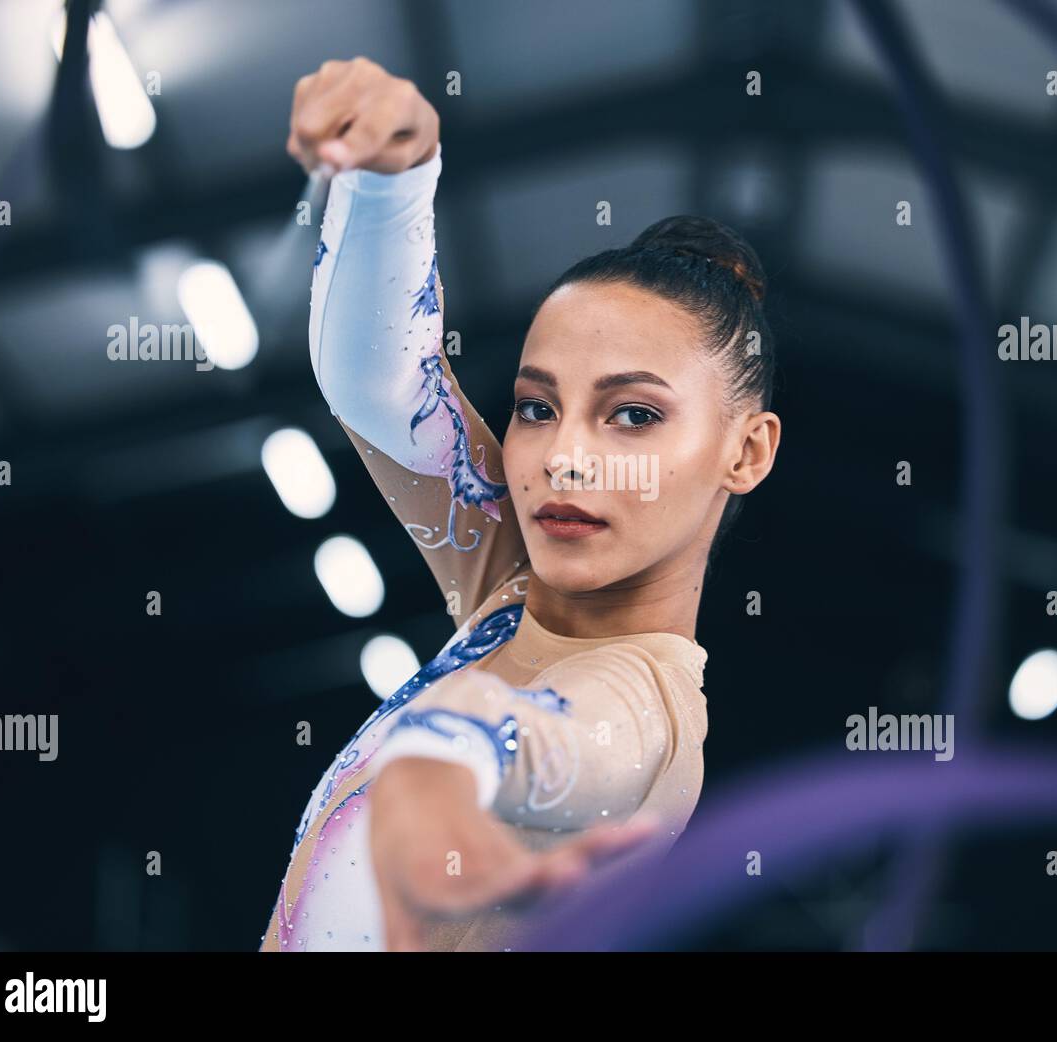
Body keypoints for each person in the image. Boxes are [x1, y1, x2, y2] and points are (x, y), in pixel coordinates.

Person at [260, 57, 780, 952]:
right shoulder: (512, 581)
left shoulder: (650, 715)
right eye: (538, 407)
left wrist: (454, 747)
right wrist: (395, 175)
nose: (564, 461)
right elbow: (382, 383)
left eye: (633, 415)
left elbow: (567, 747)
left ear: (745, 451)